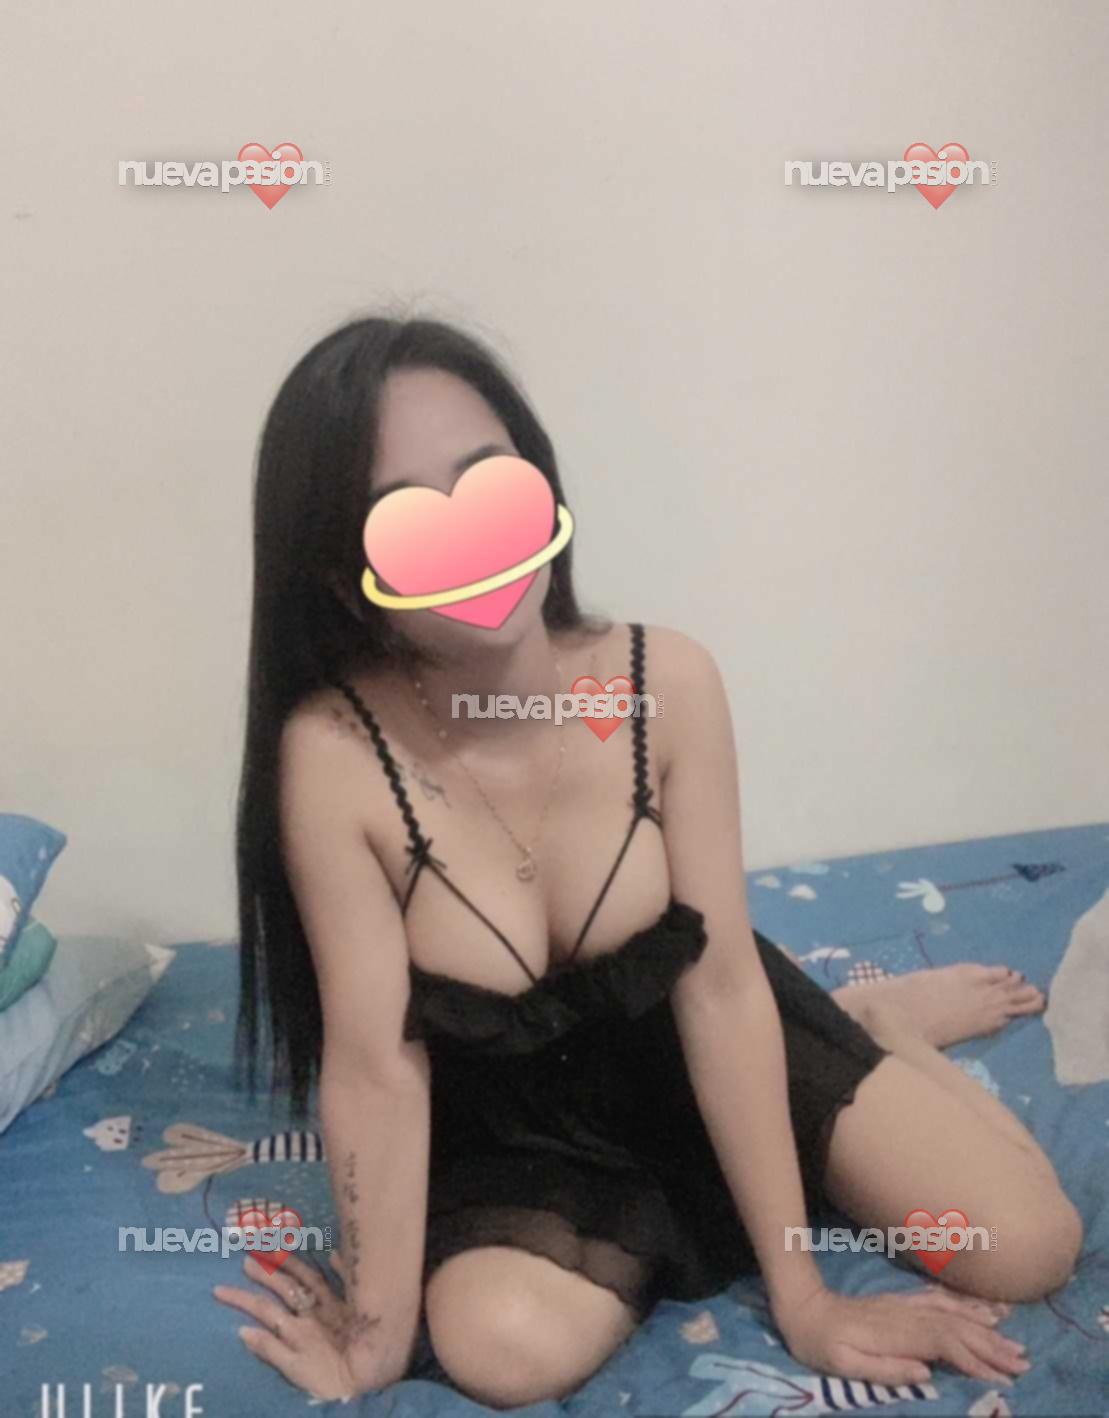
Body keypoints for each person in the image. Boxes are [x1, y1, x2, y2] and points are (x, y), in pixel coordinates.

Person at [215, 313, 1082, 1408]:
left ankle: (875, 1024)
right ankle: (844, 1046)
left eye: (490, 483)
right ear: (345, 576)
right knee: (497, 1349)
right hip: (527, 1127)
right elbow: (374, 1065)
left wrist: (804, 1293)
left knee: (1026, 1248)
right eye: (409, 519)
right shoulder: (335, 754)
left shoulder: (661, 682)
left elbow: (719, 989)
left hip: (705, 1044)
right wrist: (374, 1342)